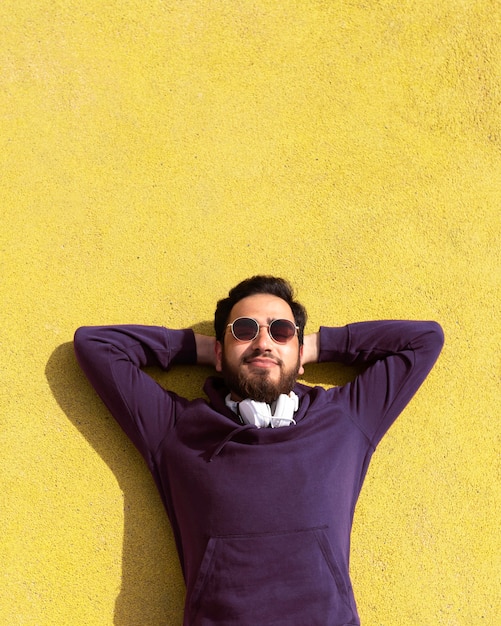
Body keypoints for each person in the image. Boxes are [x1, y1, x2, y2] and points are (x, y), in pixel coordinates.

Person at [74, 275, 444, 626]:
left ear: (300, 352)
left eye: (281, 331)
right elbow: (97, 346)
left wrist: (312, 346)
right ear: (220, 353)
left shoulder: (345, 420)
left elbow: (425, 339)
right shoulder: (176, 429)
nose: (263, 342)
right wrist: (210, 348)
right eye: (244, 331)